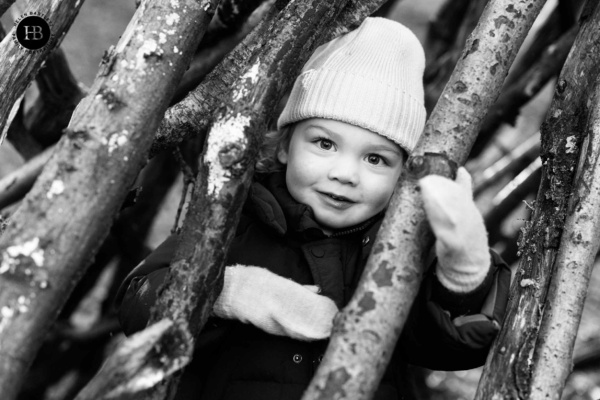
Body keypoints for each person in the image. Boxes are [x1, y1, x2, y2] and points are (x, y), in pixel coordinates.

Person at [115, 17, 510, 400]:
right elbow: (136, 304)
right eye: (324, 144)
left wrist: (464, 272)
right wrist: (231, 291)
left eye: (376, 159)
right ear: (285, 146)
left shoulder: (397, 250)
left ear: (403, 174)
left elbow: (447, 345)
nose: (345, 173)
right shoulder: (232, 222)